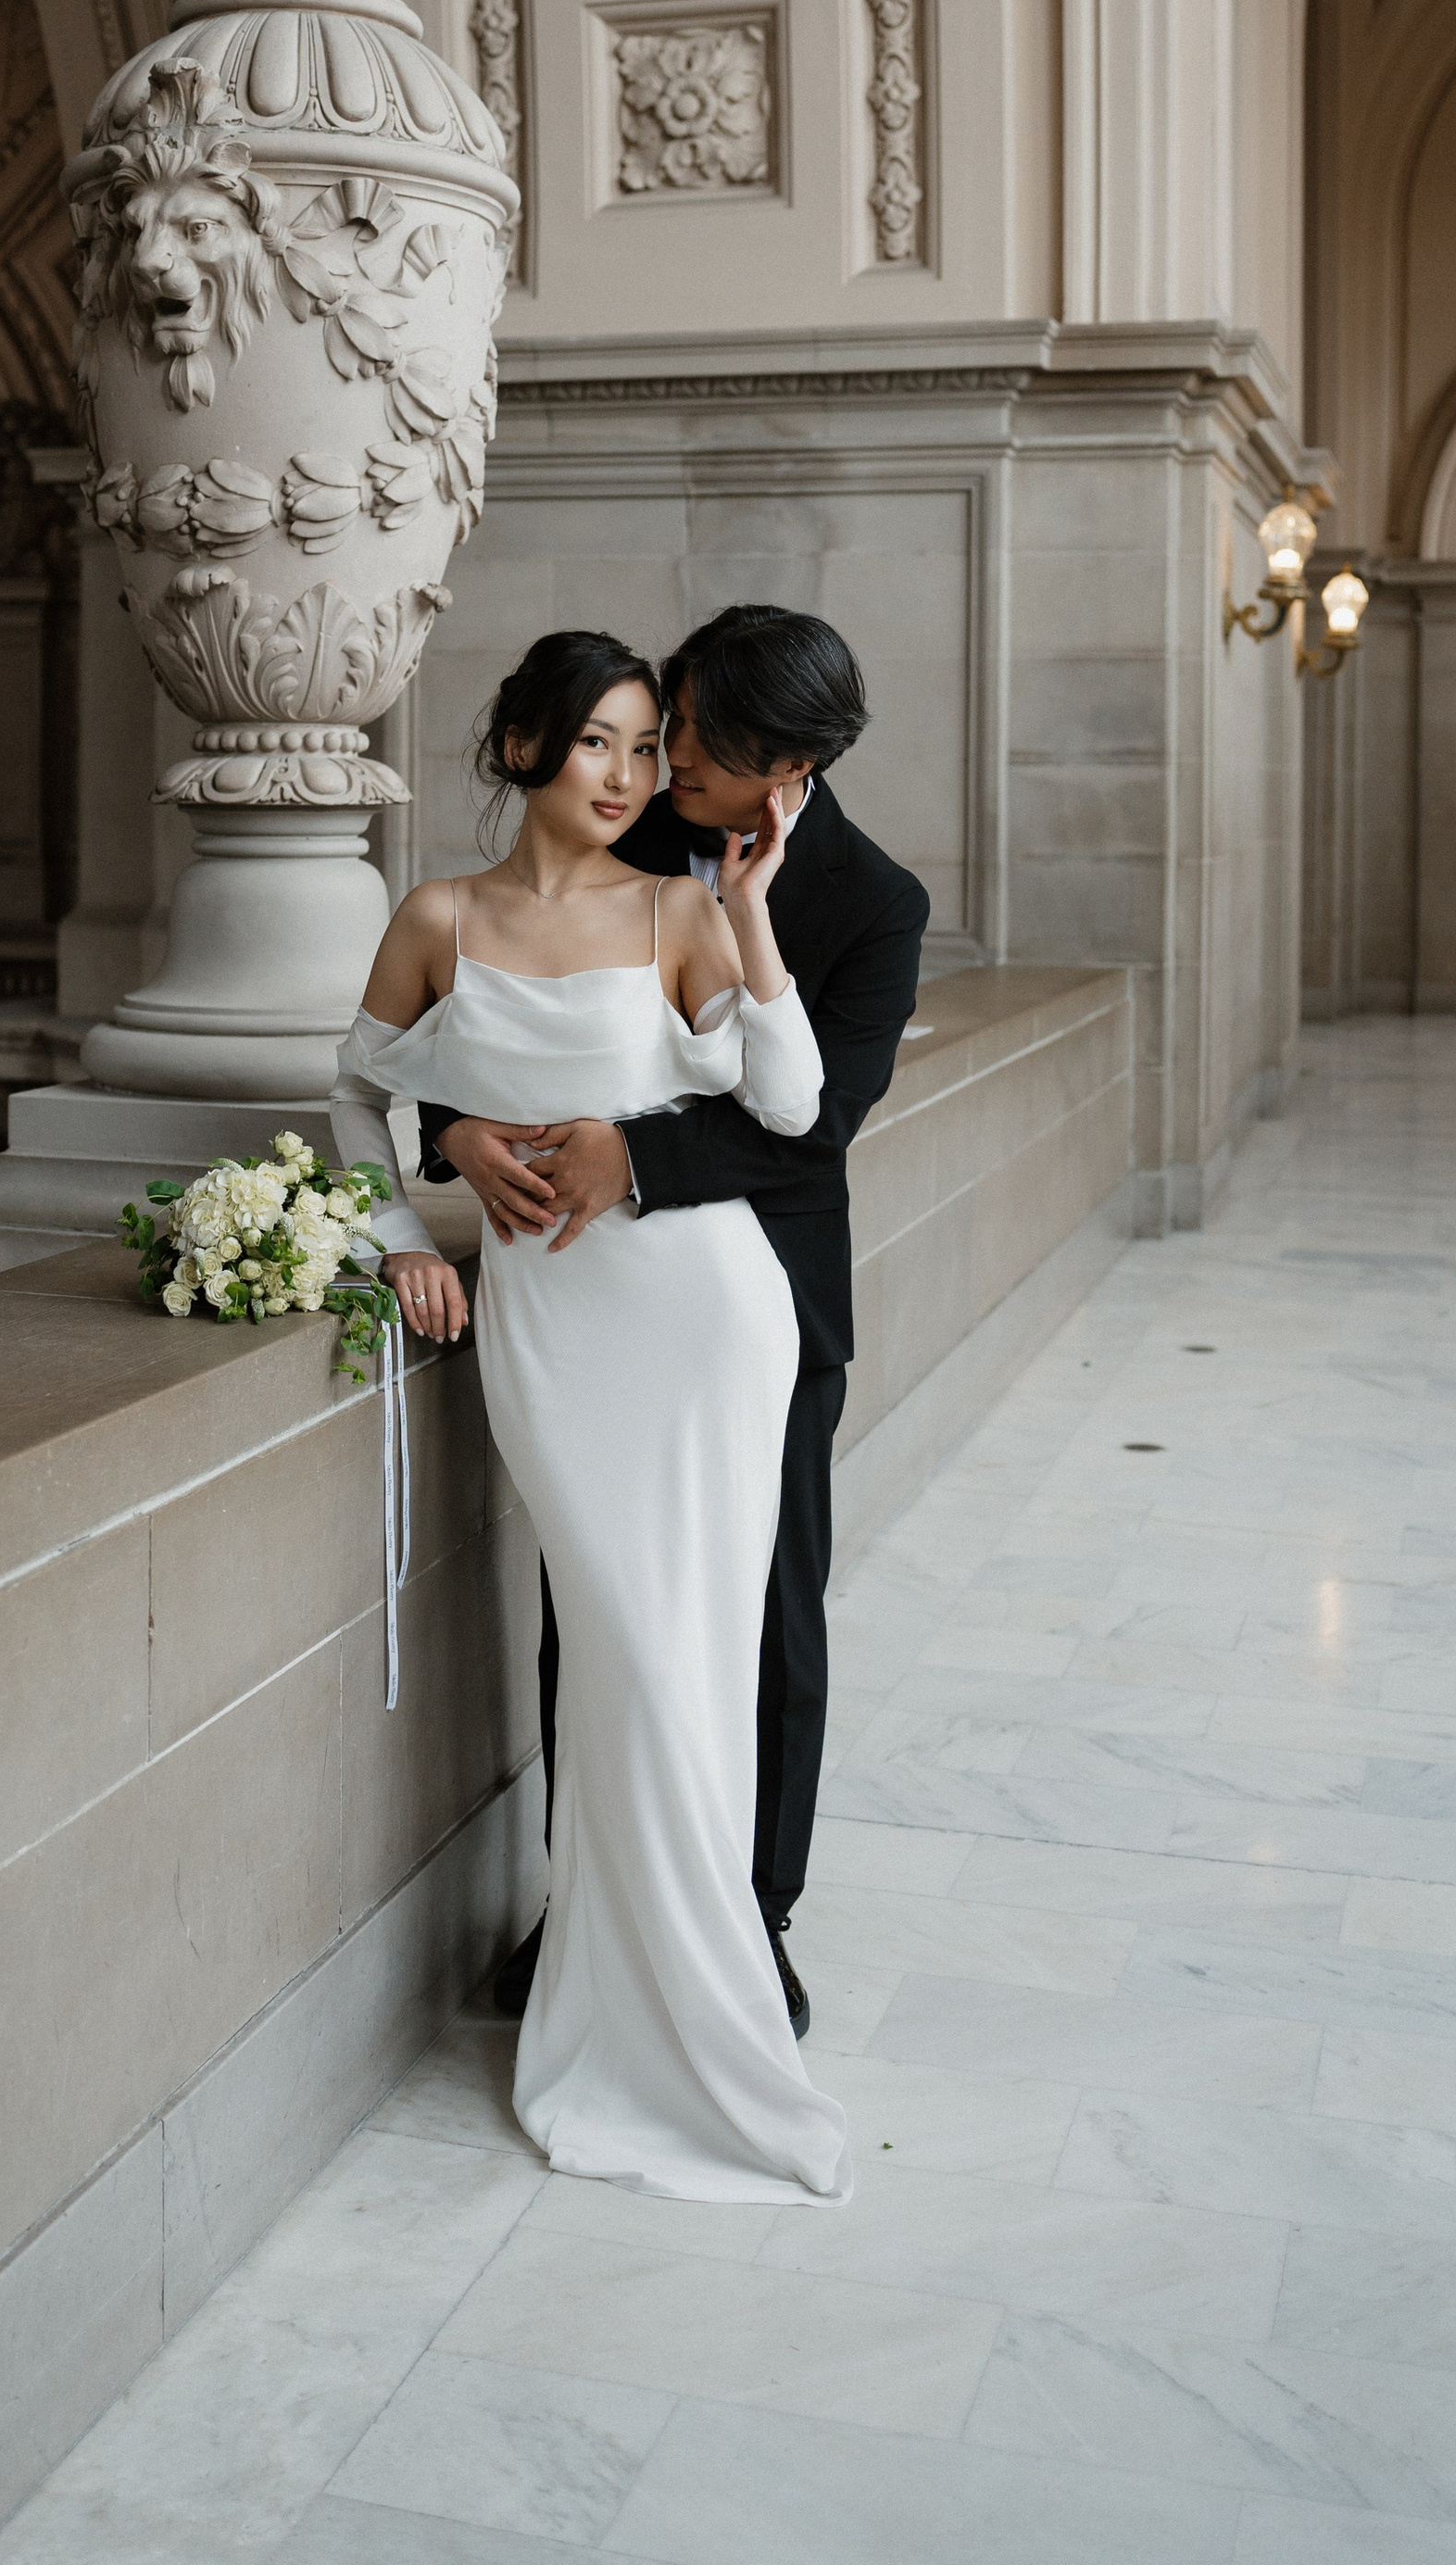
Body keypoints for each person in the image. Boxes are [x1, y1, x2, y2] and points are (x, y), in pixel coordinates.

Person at [331, 631, 850, 2204]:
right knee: (621, 1647)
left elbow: (792, 1104)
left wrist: (753, 917)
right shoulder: (437, 919)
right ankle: (636, 2002)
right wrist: (408, 1231)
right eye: (599, 744)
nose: (630, 776)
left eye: (645, 746)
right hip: (552, 1340)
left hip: (704, 1320)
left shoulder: (686, 908)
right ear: (519, 748)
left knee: (680, 1668)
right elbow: (357, 1097)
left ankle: (699, 2014)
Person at [426, 605, 928, 2036]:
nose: (671, 758)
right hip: (584, 1305)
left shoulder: (875, 902)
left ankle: (753, 1920)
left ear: (794, 767)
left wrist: (634, 1157)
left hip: (758, 1308)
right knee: (592, 1612)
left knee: (768, 1621)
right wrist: (454, 1130)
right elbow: (479, 1023)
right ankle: (591, 1908)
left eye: (706, 741)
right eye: (674, 721)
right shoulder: (610, 831)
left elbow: (816, 1124)